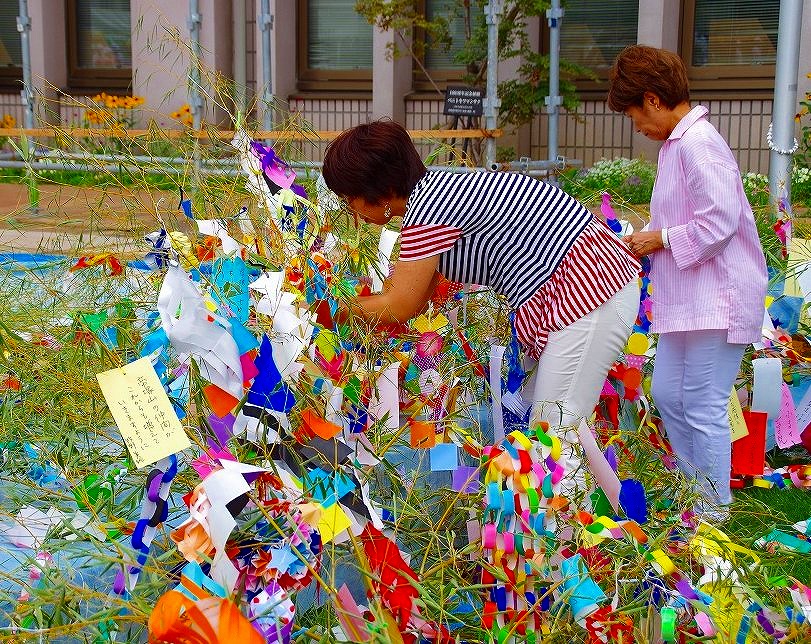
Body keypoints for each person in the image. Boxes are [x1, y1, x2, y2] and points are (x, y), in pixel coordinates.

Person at [321, 120, 641, 498]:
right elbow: (414, 296)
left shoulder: (429, 207)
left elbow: (399, 304)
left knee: (554, 432)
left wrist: (326, 308)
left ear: (380, 189)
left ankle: (564, 532)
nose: (350, 209)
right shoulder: (436, 195)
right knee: (549, 426)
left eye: (350, 197)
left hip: (589, 291)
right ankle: (587, 516)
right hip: (583, 294)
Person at [608, 45, 768, 518]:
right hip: (693, 295)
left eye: (635, 114)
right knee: (668, 395)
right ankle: (694, 494)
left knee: (702, 402)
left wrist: (657, 238)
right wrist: (650, 238)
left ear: (653, 99)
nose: (637, 126)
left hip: (719, 293)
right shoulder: (678, 145)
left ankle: (713, 509)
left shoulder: (699, 143)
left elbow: (719, 222)